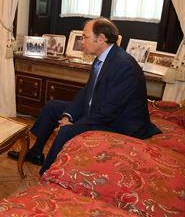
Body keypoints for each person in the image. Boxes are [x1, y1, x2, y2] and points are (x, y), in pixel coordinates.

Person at [8, 17, 161, 175]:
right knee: (53, 107)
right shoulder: (102, 58)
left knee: (66, 131)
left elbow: (109, 112)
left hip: (120, 123)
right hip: (100, 110)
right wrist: (69, 114)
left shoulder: (123, 66)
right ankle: (35, 153)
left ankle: (46, 175)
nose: (81, 41)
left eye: (85, 37)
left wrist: (74, 124)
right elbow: (87, 92)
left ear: (101, 39)